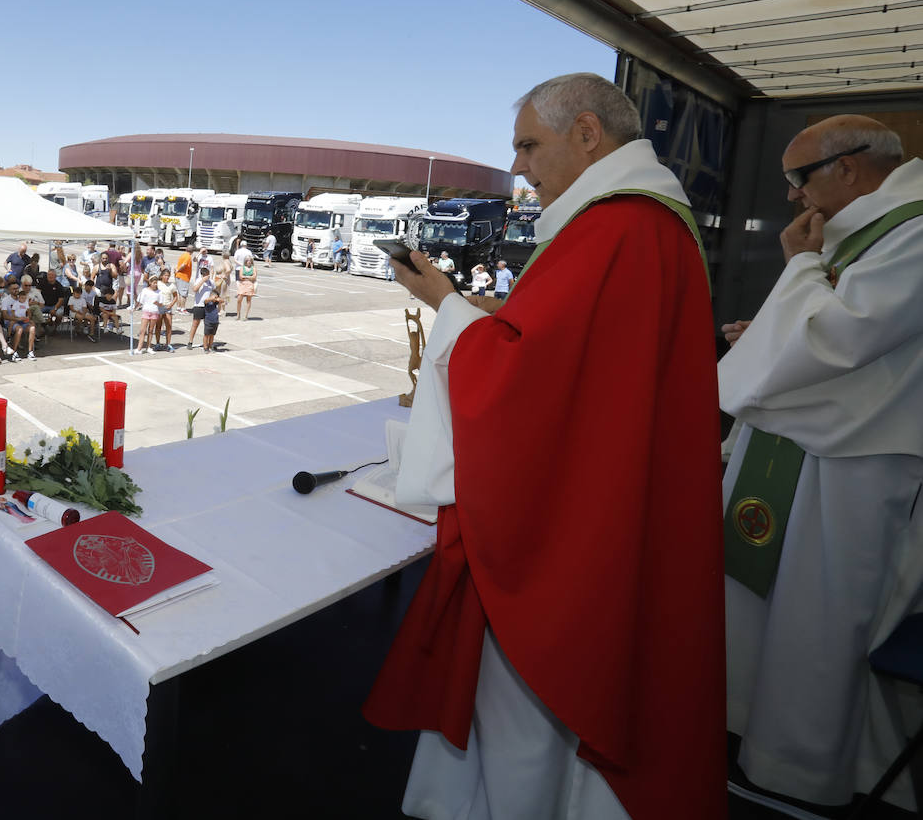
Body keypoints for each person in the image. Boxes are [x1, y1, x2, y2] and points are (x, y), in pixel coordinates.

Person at [362, 72, 724, 820]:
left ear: (587, 133)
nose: (520, 166)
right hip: (612, 494)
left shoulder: (616, 226)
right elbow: (568, 350)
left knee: (527, 700)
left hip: (565, 525)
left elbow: (523, 379)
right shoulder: (644, 222)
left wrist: (448, 308)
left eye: (529, 145)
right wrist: (470, 307)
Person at [719, 116, 923, 812]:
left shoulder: (914, 231)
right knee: (765, 608)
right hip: (806, 452)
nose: (791, 198)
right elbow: (822, 332)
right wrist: (767, 333)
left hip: (855, 469)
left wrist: (800, 269)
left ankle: (798, 771)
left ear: (852, 167)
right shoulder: (868, 230)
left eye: (798, 179)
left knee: (818, 620)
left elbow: (837, 340)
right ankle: (750, 732)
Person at [2, 286, 36, 361]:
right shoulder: (5, 300)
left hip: (23, 321)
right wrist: (16, 319)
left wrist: (28, 317)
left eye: (17, 288)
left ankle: (30, 352)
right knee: (19, 329)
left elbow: (28, 312)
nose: (16, 290)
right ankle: (14, 351)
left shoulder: (24, 300)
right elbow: (5, 316)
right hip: (12, 321)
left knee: (32, 328)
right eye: (13, 288)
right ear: (9, 290)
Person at [186, 266, 215, 350]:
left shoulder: (211, 282)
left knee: (209, 325)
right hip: (199, 305)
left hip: (208, 306)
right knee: (195, 324)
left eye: (208, 274)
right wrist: (203, 280)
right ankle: (190, 342)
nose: (207, 276)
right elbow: (194, 289)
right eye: (205, 275)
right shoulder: (199, 280)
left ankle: (208, 343)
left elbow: (214, 291)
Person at [135, 275, 162, 354]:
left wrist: (157, 303)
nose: (155, 284)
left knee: (150, 330)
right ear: (150, 283)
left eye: (156, 283)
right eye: (154, 283)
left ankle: (148, 347)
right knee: (142, 330)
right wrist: (134, 308)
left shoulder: (159, 292)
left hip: (154, 312)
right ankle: (139, 348)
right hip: (146, 311)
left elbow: (161, 304)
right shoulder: (145, 290)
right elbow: (140, 301)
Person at [156, 268, 178, 351]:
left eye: (168, 276)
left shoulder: (171, 285)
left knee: (169, 326)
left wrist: (171, 304)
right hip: (159, 307)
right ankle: (157, 343)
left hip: (168, 307)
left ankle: (168, 344)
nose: (167, 277)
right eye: (165, 275)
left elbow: (176, 296)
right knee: (158, 326)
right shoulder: (157, 283)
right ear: (161, 276)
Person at [200, 278, 221, 353]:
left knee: (212, 335)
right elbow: (205, 301)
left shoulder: (215, 303)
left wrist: (217, 299)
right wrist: (211, 298)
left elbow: (222, 300)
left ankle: (210, 346)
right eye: (214, 296)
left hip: (215, 320)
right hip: (208, 320)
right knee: (206, 334)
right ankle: (205, 347)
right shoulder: (207, 302)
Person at [235, 255, 258, 321]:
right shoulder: (242, 268)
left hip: (250, 284)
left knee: (248, 300)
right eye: (248, 261)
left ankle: (245, 315)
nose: (249, 262)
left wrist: (246, 277)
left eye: (250, 261)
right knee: (239, 299)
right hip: (243, 284)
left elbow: (254, 277)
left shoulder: (253, 268)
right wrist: (249, 277)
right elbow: (240, 276)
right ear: (245, 261)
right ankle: (238, 314)